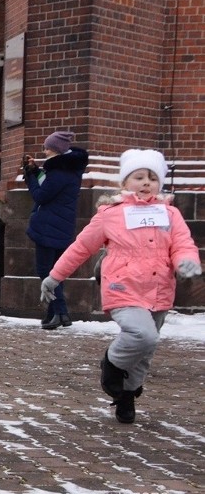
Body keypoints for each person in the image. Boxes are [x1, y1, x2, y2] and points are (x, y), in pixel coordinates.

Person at [40, 149, 201, 423]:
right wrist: (55, 276)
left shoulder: (170, 213)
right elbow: (81, 248)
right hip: (123, 287)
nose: (146, 183)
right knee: (142, 336)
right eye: (139, 177)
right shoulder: (111, 215)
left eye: (152, 178)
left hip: (160, 289)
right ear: (125, 183)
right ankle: (112, 364)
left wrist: (186, 261)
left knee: (146, 352)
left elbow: (182, 243)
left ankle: (126, 396)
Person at [23, 130, 88, 330]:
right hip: (62, 225)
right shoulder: (69, 170)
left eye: (47, 149)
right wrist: (35, 171)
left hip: (49, 226)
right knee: (57, 271)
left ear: (56, 150)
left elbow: (41, 196)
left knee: (46, 271)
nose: (45, 152)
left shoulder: (59, 173)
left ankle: (61, 312)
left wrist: (29, 177)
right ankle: (54, 313)